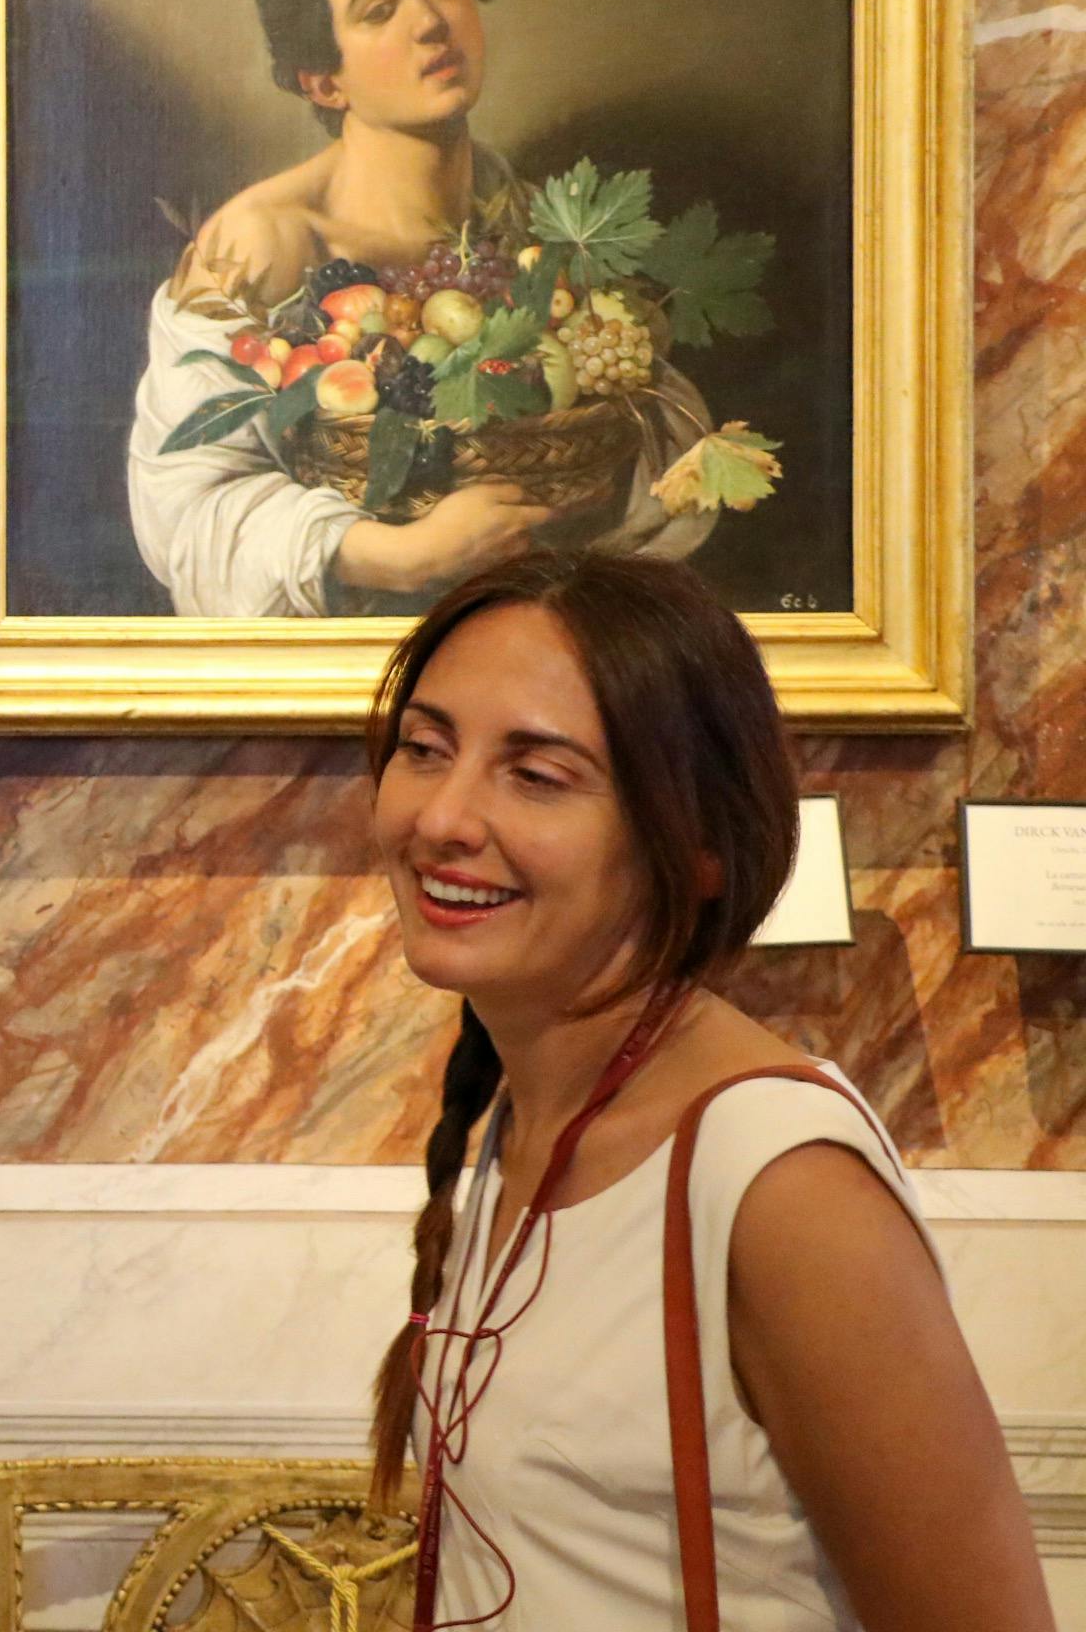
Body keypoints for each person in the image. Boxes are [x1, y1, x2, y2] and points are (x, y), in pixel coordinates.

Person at [361, 551, 1049, 1629]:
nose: (443, 816)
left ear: (696, 848)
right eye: (425, 748)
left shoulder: (778, 1181)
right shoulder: (522, 1121)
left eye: (535, 775)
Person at [127, 0, 713, 618]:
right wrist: (403, 555)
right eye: (379, 8)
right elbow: (186, 521)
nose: (431, 20)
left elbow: (660, 437)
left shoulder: (537, 220)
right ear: (322, 79)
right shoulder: (257, 247)